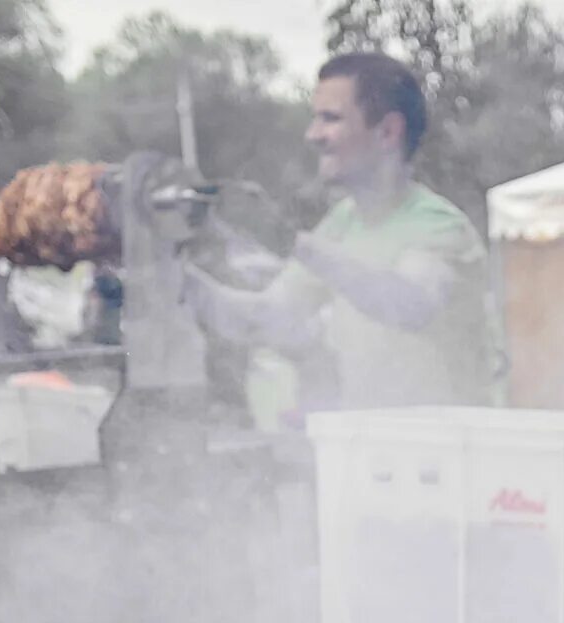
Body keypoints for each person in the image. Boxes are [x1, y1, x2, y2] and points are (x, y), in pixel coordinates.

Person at [182, 52, 491, 411]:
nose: (312, 135)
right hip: (366, 451)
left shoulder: (438, 226)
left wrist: (287, 240)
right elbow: (266, 319)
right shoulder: (342, 222)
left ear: (388, 131)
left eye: (330, 119)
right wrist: (170, 278)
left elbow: (409, 306)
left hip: (452, 453)